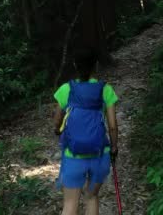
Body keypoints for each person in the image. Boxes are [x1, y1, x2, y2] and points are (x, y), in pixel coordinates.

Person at [53, 49, 119, 215]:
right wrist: (114, 147)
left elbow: (57, 119)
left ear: (75, 65)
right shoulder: (105, 89)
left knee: (70, 203)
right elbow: (112, 125)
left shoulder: (66, 89)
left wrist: (57, 130)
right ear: (95, 65)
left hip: (73, 155)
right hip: (99, 155)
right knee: (91, 197)